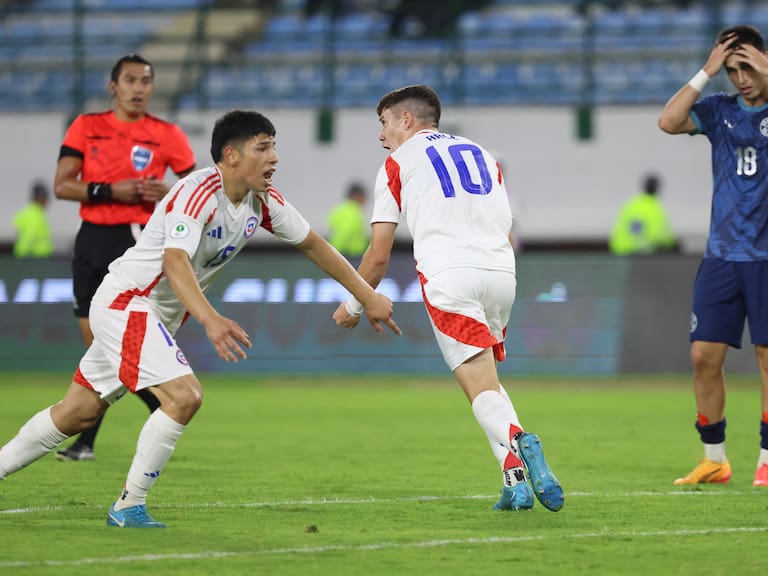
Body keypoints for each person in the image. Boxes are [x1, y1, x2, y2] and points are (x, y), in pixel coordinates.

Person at [0, 110, 401, 528]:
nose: (274, 158)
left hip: (152, 316)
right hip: (127, 303)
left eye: (274, 147)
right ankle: (128, 506)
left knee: (76, 413)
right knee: (185, 396)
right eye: (263, 147)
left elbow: (314, 245)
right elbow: (175, 261)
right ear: (230, 155)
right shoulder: (197, 192)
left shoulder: (262, 200)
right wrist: (210, 320)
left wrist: (366, 295)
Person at [332, 85, 564, 512]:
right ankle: (514, 483)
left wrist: (352, 305)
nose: (381, 136)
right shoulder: (482, 154)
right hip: (500, 272)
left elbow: (378, 254)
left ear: (406, 120)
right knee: (487, 383)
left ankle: (522, 441)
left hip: (449, 274)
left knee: (478, 389)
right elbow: (507, 227)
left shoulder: (397, 162)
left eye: (383, 123)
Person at [53, 53, 196, 462]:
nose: (138, 88)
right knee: (97, 345)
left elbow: (199, 191)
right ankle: (163, 408)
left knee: (119, 344)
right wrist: (110, 190)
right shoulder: (86, 126)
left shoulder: (166, 134)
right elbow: (63, 185)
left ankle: (88, 441)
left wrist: (166, 191)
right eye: (130, 80)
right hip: (92, 239)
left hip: (137, 243)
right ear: (113, 86)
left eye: (145, 81)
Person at [658, 25, 768, 487]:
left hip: (765, 259)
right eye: (731, 70)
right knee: (703, 356)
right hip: (722, 256)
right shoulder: (719, 110)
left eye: (748, 67)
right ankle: (715, 458)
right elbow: (668, 121)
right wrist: (706, 71)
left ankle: (767, 458)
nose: (740, 78)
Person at [609, 173, 678, 255]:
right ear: (657, 189)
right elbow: (661, 236)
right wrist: (674, 246)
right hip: (643, 256)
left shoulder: (630, 205)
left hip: (620, 253)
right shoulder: (654, 207)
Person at [12, 180, 54, 258]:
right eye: (45, 197)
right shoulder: (34, 214)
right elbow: (29, 236)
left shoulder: (32, 212)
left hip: (36, 258)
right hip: (34, 259)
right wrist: (21, 258)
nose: (47, 201)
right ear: (39, 197)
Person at [326, 181, 369, 257]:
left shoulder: (338, 210)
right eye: (363, 197)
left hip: (337, 253)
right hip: (350, 255)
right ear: (357, 196)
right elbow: (346, 232)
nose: (365, 200)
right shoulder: (354, 212)